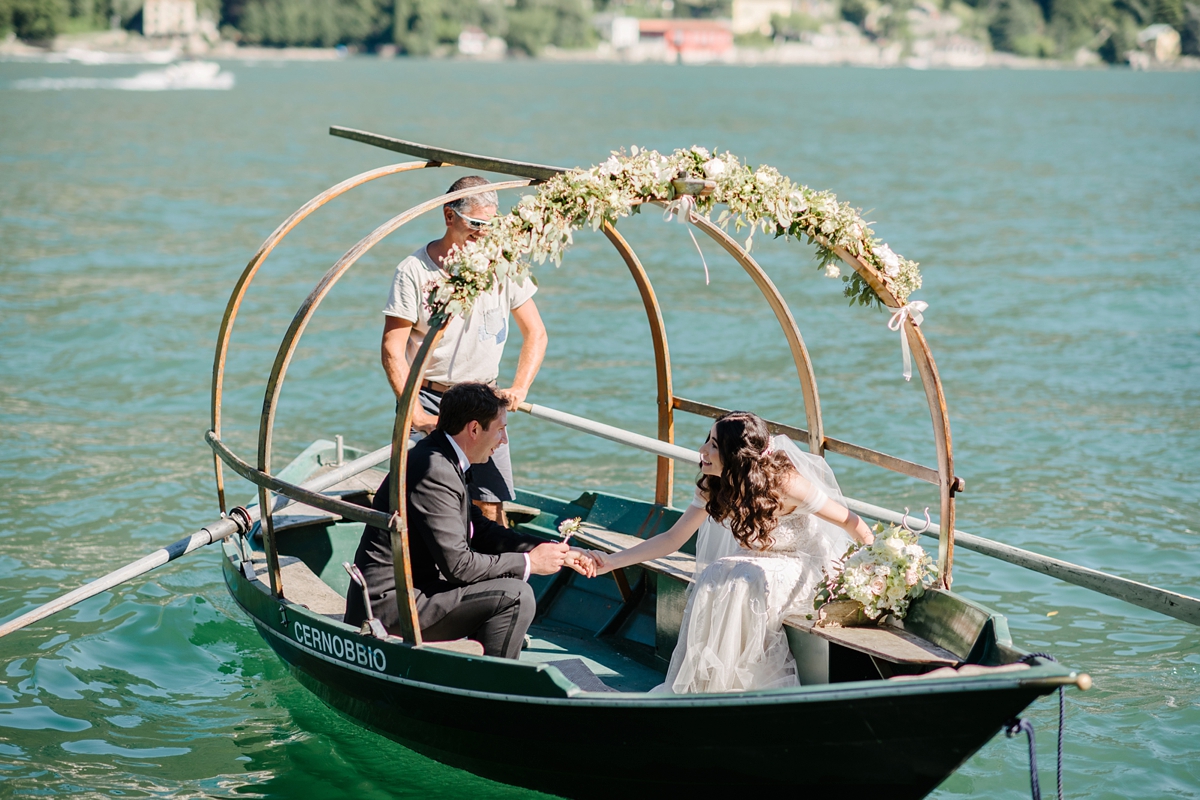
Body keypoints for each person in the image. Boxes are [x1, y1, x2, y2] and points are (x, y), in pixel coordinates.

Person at [579, 411, 875, 693]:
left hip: (808, 567)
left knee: (740, 577)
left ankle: (737, 686)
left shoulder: (786, 484)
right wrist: (610, 562)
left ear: (736, 455)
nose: (702, 450)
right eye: (707, 440)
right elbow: (672, 538)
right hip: (758, 565)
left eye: (714, 445)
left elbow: (852, 523)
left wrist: (875, 571)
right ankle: (709, 687)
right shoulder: (713, 486)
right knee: (717, 573)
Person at [345, 383, 585, 659]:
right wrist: (531, 563)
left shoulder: (442, 457)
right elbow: (459, 566)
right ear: (473, 429)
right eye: (500, 429)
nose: (504, 440)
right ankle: (496, 687)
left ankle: (472, 666)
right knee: (515, 595)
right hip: (390, 606)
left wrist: (555, 550)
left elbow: (480, 531)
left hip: (415, 589)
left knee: (506, 579)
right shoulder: (435, 470)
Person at [381, 175, 548, 527]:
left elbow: (536, 333)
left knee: (489, 506)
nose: (484, 233)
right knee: (416, 501)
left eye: (492, 225)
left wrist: (519, 388)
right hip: (429, 399)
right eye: (476, 224)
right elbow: (392, 350)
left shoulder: (503, 263)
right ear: (449, 216)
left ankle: (497, 576)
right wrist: (417, 417)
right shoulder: (413, 271)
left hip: (485, 401)